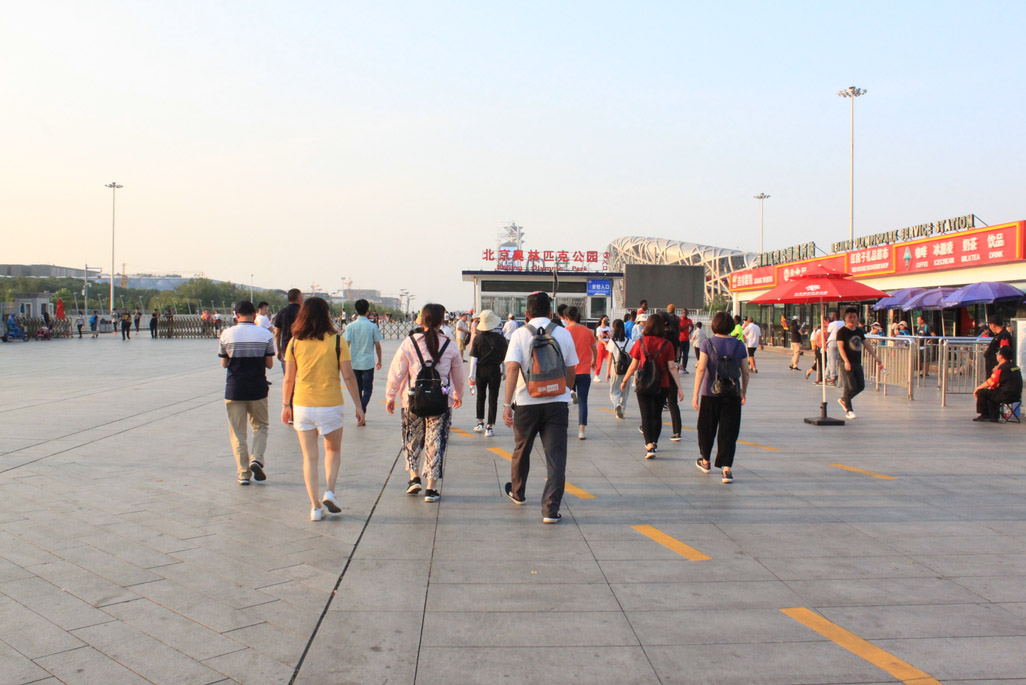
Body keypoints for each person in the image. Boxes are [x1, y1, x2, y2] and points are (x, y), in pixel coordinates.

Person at [281, 297, 364, 521]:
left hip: (302, 405)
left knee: (309, 458)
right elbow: (349, 376)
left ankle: (315, 508)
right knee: (332, 451)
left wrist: (286, 405)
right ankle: (330, 491)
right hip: (330, 404)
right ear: (326, 314)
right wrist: (358, 405)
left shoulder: (294, 342)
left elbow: (288, 379)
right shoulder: (337, 341)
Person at [502, 291, 578, 524]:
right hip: (557, 404)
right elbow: (571, 369)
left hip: (526, 403)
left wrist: (507, 404)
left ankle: (518, 493)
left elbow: (512, 368)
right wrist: (564, 390)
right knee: (556, 455)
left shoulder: (519, 334)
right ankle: (550, 509)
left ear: (527, 313)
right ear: (551, 312)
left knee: (522, 448)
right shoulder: (563, 333)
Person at [385, 303, 465, 502]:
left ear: (422, 320)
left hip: (412, 400)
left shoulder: (409, 342)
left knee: (411, 437)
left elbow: (397, 371)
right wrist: (458, 395)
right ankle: (431, 488)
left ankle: (414, 478)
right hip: (441, 401)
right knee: (435, 441)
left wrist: (390, 396)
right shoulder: (450, 345)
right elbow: (458, 374)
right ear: (441, 321)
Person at [219, 301, 275, 485]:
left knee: (238, 433)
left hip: (235, 389)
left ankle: (243, 473)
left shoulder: (226, 334)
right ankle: (256, 459)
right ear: (254, 314)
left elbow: (224, 363)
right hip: (258, 388)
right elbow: (269, 364)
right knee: (260, 426)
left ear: (236, 315)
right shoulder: (265, 334)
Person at [692, 311, 750, 484]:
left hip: (710, 393)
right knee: (729, 431)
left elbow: (701, 368)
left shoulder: (707, 343)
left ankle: (705, 461)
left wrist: (695, 394)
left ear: (715, 325)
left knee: (706, 428)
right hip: (732, 394)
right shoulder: (739, 345)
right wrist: (743, 391)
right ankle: (726, 469)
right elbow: (745, 372)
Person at [621, 314, 683, 458]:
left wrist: (624, 380)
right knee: (657, 415)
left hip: (644, 383)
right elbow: (672, 367)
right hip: (663, 383)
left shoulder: (640, 342)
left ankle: (649, 445)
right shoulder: (667, 344)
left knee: (646, 415)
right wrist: (679, 387)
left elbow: (633, 365)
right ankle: (654, 442)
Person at [836, 307, 884, 420]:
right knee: (850, 386)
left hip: (857, 362)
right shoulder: (842, 331)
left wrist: (876, 357)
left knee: (861, 386)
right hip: (846, 362)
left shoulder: (859, 331)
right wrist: (846, 361)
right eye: (850, 317)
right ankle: (849, 410)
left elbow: (866, 344)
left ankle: (844, 400)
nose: (852, 319)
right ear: (845, 318)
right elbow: (840, 348)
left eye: (854, 317)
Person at [469, 310, 508, 437]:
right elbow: (504, 358)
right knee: (493, 398)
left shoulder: (477, 339)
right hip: (494, 370)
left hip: (481, 371)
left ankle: (480, 422)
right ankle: (489, 427)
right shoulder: (500, 338)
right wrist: (505, 371)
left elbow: (474, 358)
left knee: (480, 396)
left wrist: (471, 375)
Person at [343, 299, 384, 414]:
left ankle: (359, 409)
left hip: (354, 363)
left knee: (357, 389)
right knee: (368, 390)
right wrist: (380, 361)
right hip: (368, 363)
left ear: (356, 311)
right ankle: (361, 409)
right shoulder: (373, 326)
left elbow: (346, 345)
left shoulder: (350, 327)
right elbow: (378, 346)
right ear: (368, 310)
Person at [565, 306, 596, 440]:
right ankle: (581, 431)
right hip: (584, 371)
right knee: (583, 402)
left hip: (569, 371)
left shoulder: (565, 331)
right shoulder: (587, 331)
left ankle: (564, 428)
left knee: (564, 401)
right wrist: (594, 360)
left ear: (566, 318)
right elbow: (594, 348)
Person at [973, 347, 1021, 422]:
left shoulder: (1002, 368)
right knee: (992, 392)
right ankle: (994, 416)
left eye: (998, 354)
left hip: (1005, 395)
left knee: (981, 392)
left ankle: (985, 415)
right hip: (1016, 396)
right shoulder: (1015, 367)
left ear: (1001, 356)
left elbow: (991, 382)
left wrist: (977, 388)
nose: (997, 355)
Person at [606, 319, 635, 419]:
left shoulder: (612, 341)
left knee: (614, 391)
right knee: (625, 392)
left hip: (615, 369)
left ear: (614, 328)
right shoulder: (629, 341)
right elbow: (632, 356)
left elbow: (610, 357)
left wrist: (608, 372)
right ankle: (622, 410)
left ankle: (617, 403)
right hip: (627, 369)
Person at [273, 289, 303, 373]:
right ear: (298, 298)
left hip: (286, 348)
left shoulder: (282, 312)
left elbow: (277, 334)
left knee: (287, 376)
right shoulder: (304, 312)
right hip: (302, 348)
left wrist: (279, 350)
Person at [825, 313, 844, 385]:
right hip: (841, 341)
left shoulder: (831, 324)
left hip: (832, 341)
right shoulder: (843, 323)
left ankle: (832, 378)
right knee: (838, 360)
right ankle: (826, 375)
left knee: (831, 360)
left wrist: (826, 341)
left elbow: (828, 333)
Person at [594, 316, 612, 381]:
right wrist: (604, 343)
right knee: (599, 361)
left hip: (608, 345)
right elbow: (599, 338)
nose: (605, 321)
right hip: (601, 346)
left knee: (609, 361)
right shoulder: (599, 329)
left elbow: (610, 336)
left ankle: (610, 374)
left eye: (607, 320)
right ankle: (596, 375)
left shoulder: (608, 328)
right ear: (601, 320)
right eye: (604, 319)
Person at [678, 309, 694, 373]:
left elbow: (692, 326)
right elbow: (679, 329)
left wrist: (689, 332)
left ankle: (684, 368)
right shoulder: (680, 320)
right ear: (682, 313)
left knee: (686, 355)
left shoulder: (689, 320)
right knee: (679, 355)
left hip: (686, 340)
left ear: (687, 313)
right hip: (680, 340)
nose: (684, 313)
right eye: (683, 312)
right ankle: (677, 367)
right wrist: (685, 326)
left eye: (686, 312)